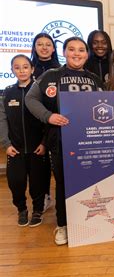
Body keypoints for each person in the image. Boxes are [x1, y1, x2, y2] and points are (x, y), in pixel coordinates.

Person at [25, 37, 102, 245]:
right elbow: (30, 99)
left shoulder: (95, 79)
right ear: (65, 53)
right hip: (61, 140)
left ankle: (90, 221)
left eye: (81, 50)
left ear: (87, 54)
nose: (76, 53)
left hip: (89, 141)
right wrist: (48, 116)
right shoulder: (52, 75)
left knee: (89, 182)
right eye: (71, 49)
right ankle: (63, 225)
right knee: (63, 184)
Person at [0, 55, 48, 227]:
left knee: (38, 183)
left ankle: (37, 210)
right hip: (15, 149)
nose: (21, 70)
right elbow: (2, 120)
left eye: (25, 67)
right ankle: (21, 209)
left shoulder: (39, 92)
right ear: (12, 70)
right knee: (16, 182)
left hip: (38, 149)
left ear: (32, 69)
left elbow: (47, 120)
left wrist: (44, 143)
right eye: (17, 67)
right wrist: (6, 144)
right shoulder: (7, 92)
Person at [30, 33, 58, 212]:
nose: (44, 47)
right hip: (33, 122)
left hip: (53, 122)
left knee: (54, 162)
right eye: (40, 44)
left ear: (54, 48)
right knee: (39, 165)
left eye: (48, 44)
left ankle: (52, 195)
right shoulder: (29, 68)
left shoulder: (59, 70)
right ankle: (43, 196)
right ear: (34, 47)